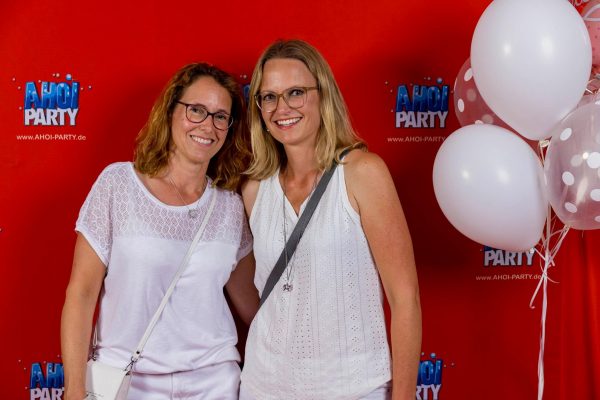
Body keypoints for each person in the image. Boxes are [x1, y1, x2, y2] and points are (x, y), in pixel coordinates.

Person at [60, 63, 258, 400]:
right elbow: (81, 294)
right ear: (170, 111)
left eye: (220, 116)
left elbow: (253, 307)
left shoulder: (229, 206)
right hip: (127, 382)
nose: (207, 125)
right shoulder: (118, 185)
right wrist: (74, 389)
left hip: (214, 383)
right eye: (196, 110)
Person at [239, 40, 422, 400]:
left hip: (352, 388)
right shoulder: (254, 189)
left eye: (296, 92)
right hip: (263, 387)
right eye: (269, 97)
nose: (282, 108)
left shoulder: (362, 173)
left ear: (322, 95)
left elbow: (405, 298)